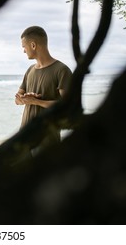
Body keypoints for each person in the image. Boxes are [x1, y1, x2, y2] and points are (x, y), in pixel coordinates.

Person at [15, 26, 72, 155]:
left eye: (24, 47)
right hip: (24, 135)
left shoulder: (62, 70)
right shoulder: (30, 70)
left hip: (46, 139)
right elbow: (18, 100)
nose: (24, 51)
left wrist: (36, 101)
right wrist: (23, 99)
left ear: (33, 45)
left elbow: (66, 105)